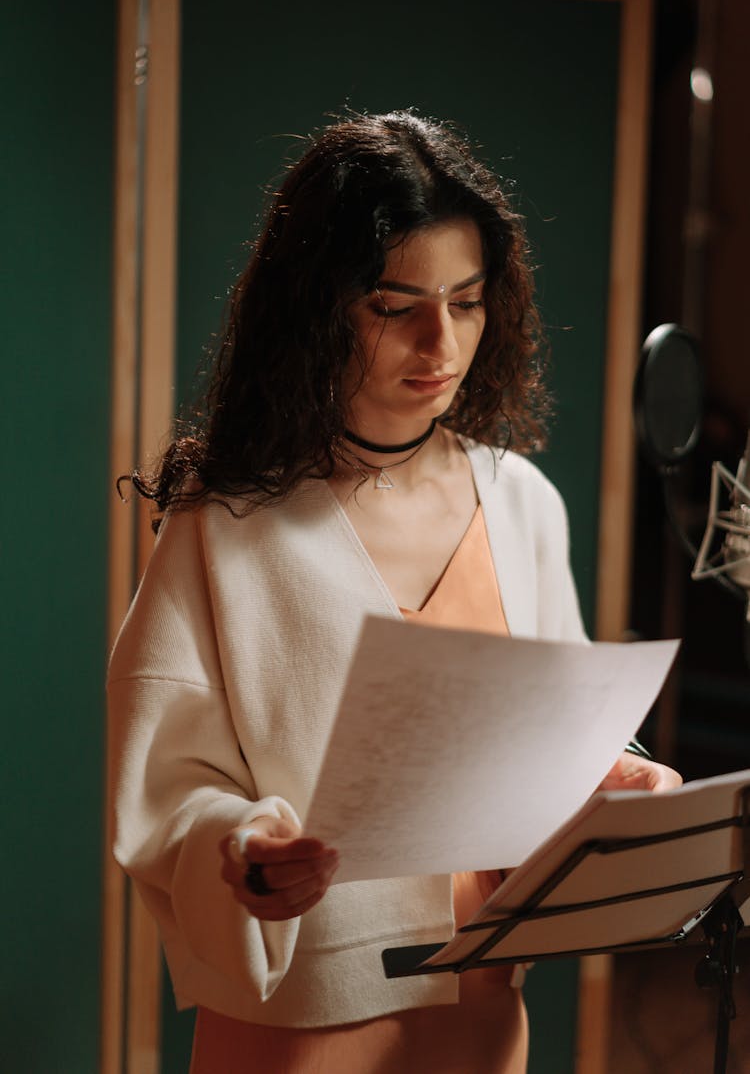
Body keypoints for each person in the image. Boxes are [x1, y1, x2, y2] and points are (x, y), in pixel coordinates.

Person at [108, 110, 681, 1073]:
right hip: (302, 1026)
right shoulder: (227, 519)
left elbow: (557, 733)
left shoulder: (523, 502)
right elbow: (168, 782)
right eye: (394, 304)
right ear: (319, 305)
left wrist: (617, 777)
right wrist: (247, 850)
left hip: (486, 1011)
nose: (440, 341)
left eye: (466, 300)